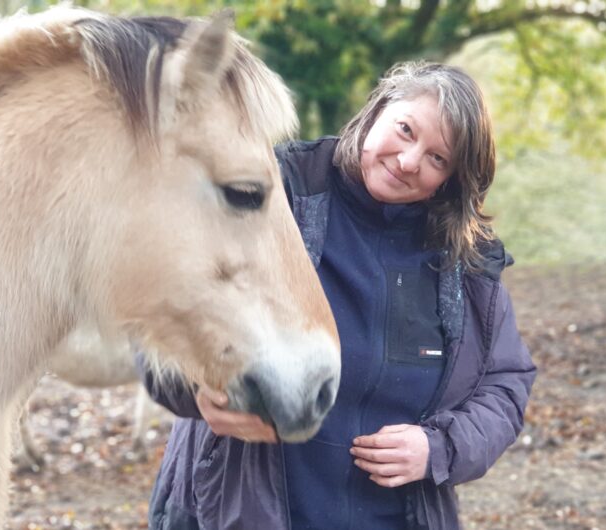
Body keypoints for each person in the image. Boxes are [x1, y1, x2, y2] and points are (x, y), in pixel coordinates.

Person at [140, 61, 536, 530]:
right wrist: (196, 387)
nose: (409, 161)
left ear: (451, 179)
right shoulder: (270, 191)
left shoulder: (466, 261)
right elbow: (161, 309)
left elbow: (505, 384)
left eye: (437, 158)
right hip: (236, 510)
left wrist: (439, 448)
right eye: (406, 130)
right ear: (378, 108)